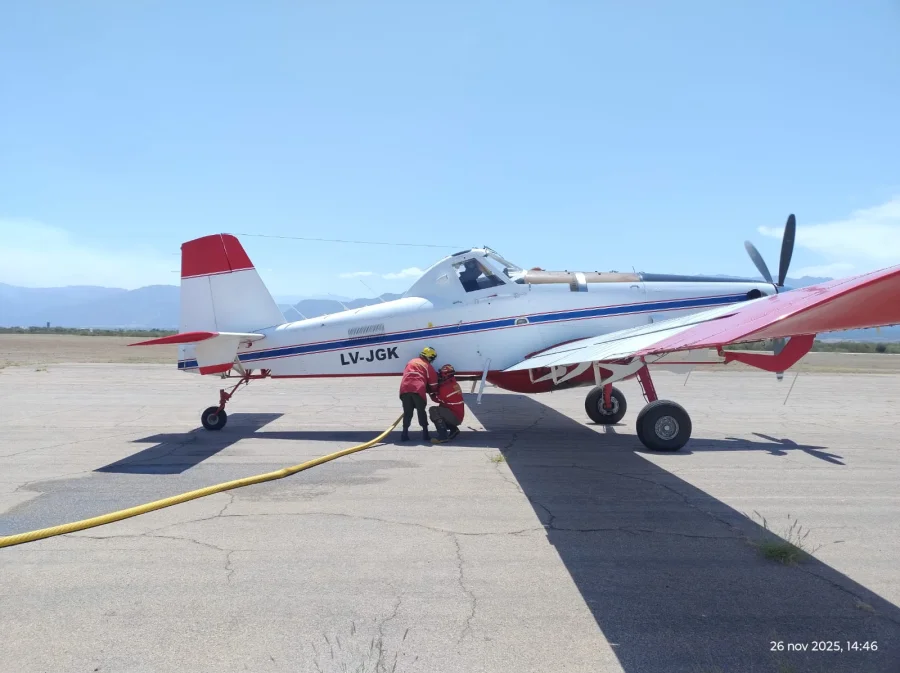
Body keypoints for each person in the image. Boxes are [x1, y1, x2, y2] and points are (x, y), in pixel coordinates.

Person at [398, 346, 438, 441]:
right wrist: (433, 391)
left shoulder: (411, 362)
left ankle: (404, 434)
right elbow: (433, 384)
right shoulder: (427, 366)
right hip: (418, 389)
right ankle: (425, 434)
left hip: (404, 389)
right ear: (429, 357)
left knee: (407, 412)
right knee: (421, 411)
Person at [429, 364, 464, 443]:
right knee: (440, 410)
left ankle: (443, 436)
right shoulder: (453, 383)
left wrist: (430, 392)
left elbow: (437, 399)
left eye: (441, 375)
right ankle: (453, 430)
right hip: (457, 414)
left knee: (433, 410)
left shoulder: (446, 388)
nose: (440, 377)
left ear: (446, 376)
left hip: (455, 416)